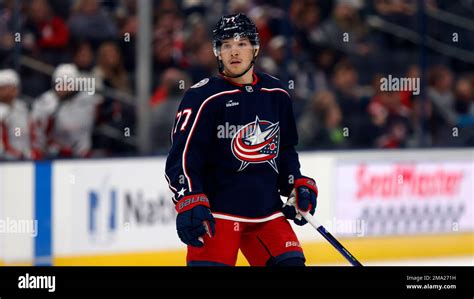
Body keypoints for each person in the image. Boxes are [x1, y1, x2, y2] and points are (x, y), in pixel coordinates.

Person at [165, 13, 318, 266]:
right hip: (218, 216)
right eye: (226, 45)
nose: (234, 52)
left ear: (255, 49)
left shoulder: (277, 93)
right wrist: (188, 198)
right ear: (218, 52)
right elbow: (182, 156)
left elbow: (286, 149)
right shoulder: (203, 96)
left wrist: (294, 183)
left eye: (242, 44)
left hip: (267, 215)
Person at [0, 69, 38, 160]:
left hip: (24, 156)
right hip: (4, 160)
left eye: (12, 88)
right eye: (5, 88)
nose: (9, 92)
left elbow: (24, 131)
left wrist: (32, 151)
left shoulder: (22, 108)